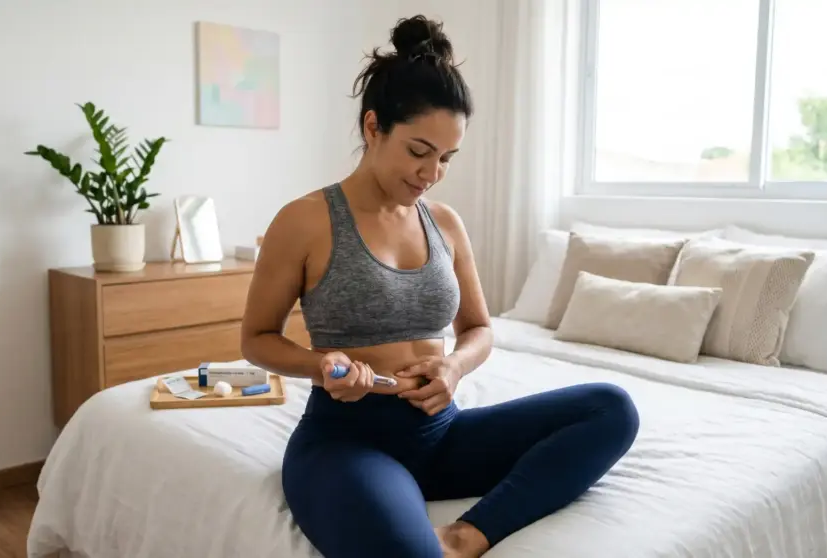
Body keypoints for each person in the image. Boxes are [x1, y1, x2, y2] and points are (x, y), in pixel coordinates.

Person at [240, 15, 640, 558]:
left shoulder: (445, 223)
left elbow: (478, 328)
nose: (431, 173)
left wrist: (453, 367)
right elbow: (257, 339)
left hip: (442, 433)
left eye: (446, 158)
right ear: (373, 127)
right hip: (347, 443)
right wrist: (322, 365)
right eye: (418, 151)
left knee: (610, 408)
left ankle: (467, 535)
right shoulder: (306, 219)